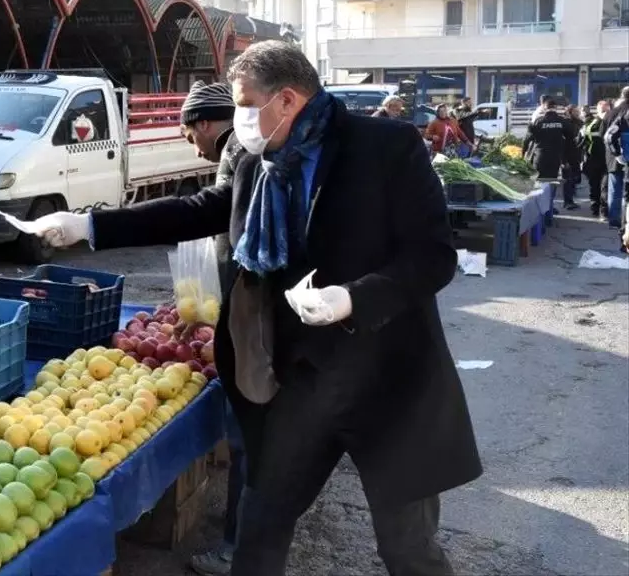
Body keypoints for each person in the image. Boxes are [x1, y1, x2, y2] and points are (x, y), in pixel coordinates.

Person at [31, 42, 480, 576]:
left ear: (287, 100)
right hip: (297, 382)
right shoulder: (253, 158)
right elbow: (199, 210)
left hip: (386, 381)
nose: (238, 118)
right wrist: (90, 226)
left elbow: (432, 257)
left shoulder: (384, 146)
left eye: (245, 104)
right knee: (259, 531)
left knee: (407, 548)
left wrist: (353, 297)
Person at [175, 80, 250, 575]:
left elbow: (232, 239)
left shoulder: (237, 155)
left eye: (189, 134)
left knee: (248, 441)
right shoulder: (244, 150)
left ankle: (238, 551)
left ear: (205, 124)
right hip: (242, 318)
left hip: (253, 328)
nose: (192, 145)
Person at [525, 97, 579, 210]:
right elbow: (572, 136)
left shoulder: (538, 121)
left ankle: (538, 208)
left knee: (539, 183)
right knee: (551, 183)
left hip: (540, 157)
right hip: (555, 157)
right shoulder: (562, 121)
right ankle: (549, 207)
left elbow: (528, 138)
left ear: (545, 108)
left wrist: (523, 153)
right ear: (556, 108)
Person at [603, 86, 629, 235]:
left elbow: (604, 135)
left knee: (615, 189)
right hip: (622, 155)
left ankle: (614, 220)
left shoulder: (611, 113)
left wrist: (616, 154)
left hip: (613, 157)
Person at [582, 102, 609, 219]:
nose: (605, 113)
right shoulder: (590, 123)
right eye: (603, 111)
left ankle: (602, 210)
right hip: (594, 159)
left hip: (605, 160)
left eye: (606, 111)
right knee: (595, 185)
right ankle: (595, 208)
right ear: (598, 111)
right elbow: (581, 140)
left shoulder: (610, 122)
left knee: (604, 187)